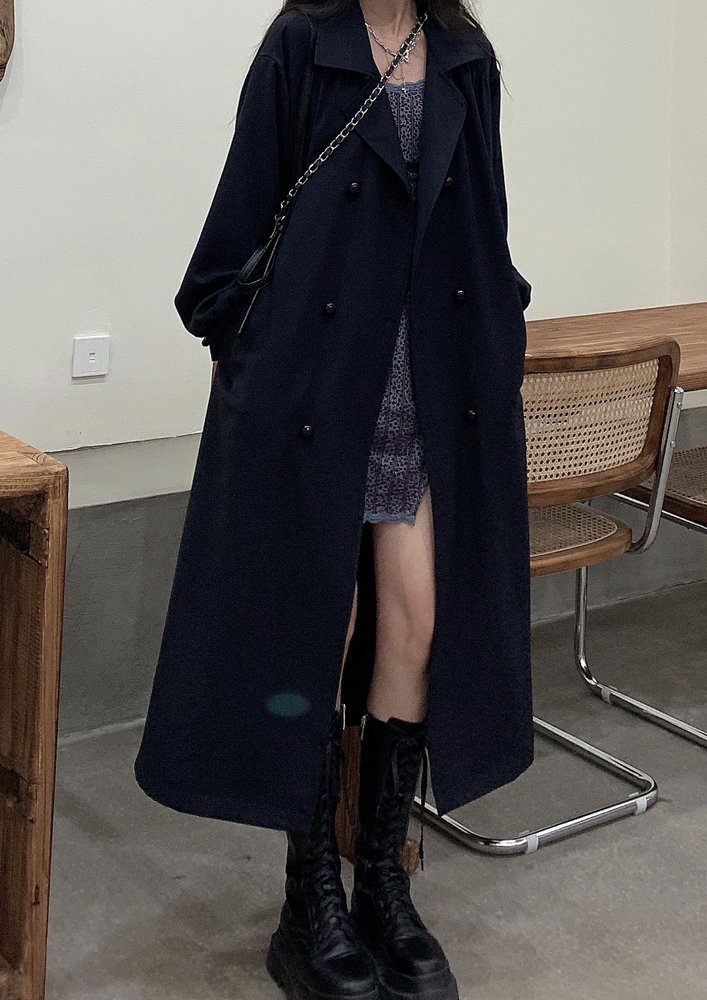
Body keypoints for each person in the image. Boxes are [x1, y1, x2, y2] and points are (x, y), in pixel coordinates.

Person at [134, 1, 533, 998]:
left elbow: (485, 225)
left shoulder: (465, 56)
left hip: (426, 390)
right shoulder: (305, 44)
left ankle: (381, 886)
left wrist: (500, 333)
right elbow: (241, 221)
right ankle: (307, 898)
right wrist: (252, 354)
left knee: (417, 621)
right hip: (317, 389)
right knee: (322, 626)